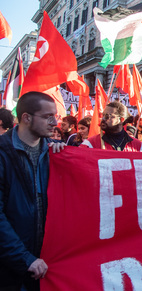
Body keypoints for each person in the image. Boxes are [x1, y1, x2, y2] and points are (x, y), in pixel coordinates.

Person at [0, 91, 67, 290]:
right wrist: (24, 257)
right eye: (48, 117)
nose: (54, 122)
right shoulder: (3, 154)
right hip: (11, 268)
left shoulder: (54, 152)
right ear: (26, 118)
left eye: (55, 116)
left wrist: (66, 159)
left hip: (46, 266)